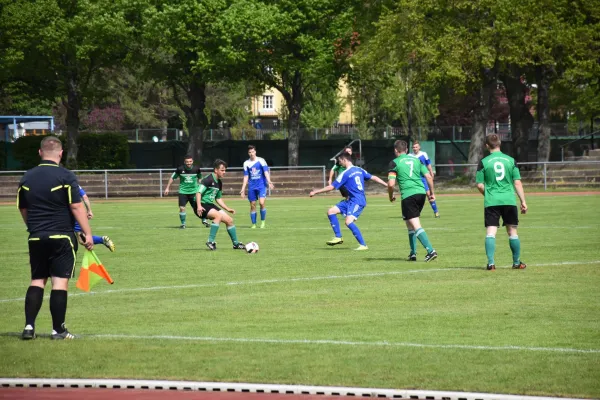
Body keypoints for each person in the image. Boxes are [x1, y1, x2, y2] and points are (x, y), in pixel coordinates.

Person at [17, 136, 94, 340]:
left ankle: (28, 327)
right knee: (59, 283)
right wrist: (87, 233)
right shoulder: (66, 176)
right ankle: (58, 330)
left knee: (37, 280)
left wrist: (32, 227)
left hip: (36, 236)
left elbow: (23, 207)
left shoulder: (27, 177)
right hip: (61, 236)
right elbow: (77, 206)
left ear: (40, 152)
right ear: (61, 154)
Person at [310, 152, 388, 250]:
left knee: (348, 221)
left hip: (357, 201)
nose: (340, 163)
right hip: (350, 200)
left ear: (344, 160)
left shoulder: (345, 173)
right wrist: (387, 185)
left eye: (340, 161)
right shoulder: (359, 169)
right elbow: (374, 177)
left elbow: (331, 187)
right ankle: (338, 237)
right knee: (331, 211)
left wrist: (316, 192)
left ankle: (363, 245)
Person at [475, 134, 527, 271]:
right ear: (500, 144)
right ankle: (516, 262)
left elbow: (479, 185)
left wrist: (489, 194)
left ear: (487, 146)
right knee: (512, 232)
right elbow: (517, 182)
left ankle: (491, 263)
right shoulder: (510, 160)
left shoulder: (484, 162)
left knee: (491, 232)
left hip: (492, 201)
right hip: (509, 199)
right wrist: (523, 201)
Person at [388, 140, 438, 262]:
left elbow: (390, 184)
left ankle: (431, 251)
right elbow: (428, 177)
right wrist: (431, 193)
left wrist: (391, 196)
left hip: (408, 195)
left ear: (396, 150)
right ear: (406, 149)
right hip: (421, 194)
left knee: (415, 224)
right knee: (409, 224)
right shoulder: (417, 160)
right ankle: (413, 253)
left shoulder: (394, 162)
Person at [196, 159, 245, 251]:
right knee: (217, 216)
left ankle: (236, 244)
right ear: (216, 170)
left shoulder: (219, 182)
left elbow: (218, 198)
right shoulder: (208, 179)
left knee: (229, 220)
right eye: (222, 170)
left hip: (210, 205)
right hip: (201, 205)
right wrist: (198, 206)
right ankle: (210, 241)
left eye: (225, 170)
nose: (224, 172)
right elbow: (198, 193)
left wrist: (228, 208)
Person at [164, 155, 208, 229]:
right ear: (184, 162)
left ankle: (204, 220)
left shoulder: (196, 169)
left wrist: (202, 188)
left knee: (198, 207)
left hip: (194, 192)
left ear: (192, 161)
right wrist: (167, 188)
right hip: (183, 192)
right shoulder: (180, 169)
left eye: (190, 161)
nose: (189, 163)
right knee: (182, 208)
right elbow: (172, 178)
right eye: (187, 162)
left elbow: (200, 178)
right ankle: (183, 224)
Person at [240, 145, 274, 229]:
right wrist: (243, 189)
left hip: (261, 185)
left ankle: (263, 222)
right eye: (250, 152)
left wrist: (269, 181)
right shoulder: (246, 163)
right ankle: (254, 224)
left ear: (255, 152)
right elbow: (246, 177)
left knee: (262, 203)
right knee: (252, 205)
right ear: (248, 153)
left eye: (253, 152)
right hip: (252, 186)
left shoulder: (261, 161)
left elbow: (266, 172)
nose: (251, 154)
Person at [73, 185, 115, 252]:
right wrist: (89, 210)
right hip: (78, 213)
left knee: (81, 239)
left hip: (72, 214)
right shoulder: (74, 184)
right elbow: (85, 197)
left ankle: (102, 239)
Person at [410, 141, 440, 218]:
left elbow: (428, 164)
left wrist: (431, 172)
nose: (415, 148)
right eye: (413, 147)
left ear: (419, 147)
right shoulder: (409, 156)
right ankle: (415, 213)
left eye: (416, 147)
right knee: (413, 195)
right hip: (414, 179)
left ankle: (436, 211)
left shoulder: (423, 154)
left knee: (428, 194)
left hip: (422, 178)